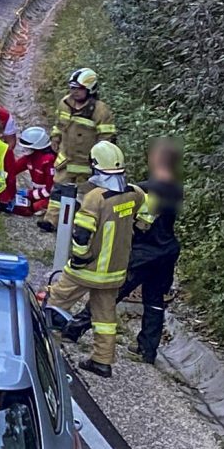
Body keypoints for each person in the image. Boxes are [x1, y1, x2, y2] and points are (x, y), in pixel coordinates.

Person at [44, 140, 147, 375]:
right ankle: (102, 360)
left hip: (88, 269)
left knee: (57, 300)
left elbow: (82, 235)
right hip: (115, 272)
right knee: (105, 316)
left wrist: (80, 259)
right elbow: (148, 212)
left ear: (96, 166)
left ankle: (47, 346)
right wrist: (140, 226)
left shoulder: (96, 197)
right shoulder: (134, 193)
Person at [123, 139, 183, 362]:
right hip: (167, 251)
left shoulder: (143, 189)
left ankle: (75, 328)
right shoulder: (176, 189)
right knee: (155, 300)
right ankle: (147, 349)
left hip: (145, 251)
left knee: (112, 292)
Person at [54, 68, 116, 189]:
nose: (75, 92)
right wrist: (55, 138)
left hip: (86, 168)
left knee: (84, 201)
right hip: (64, 165)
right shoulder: (65, 103)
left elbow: (106, 140)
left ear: (90, 89)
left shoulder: (100, 110)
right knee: (58, 198)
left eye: (80, 88)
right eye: (73, 88)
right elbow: (58, 125)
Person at [9, 125, 59, 225]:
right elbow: (13, 169)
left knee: (28, 209)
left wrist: (30, 194)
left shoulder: (49, 161)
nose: (24, 149)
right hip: (37, 193)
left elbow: (50, 189)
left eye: (27, 147)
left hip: (51, 197)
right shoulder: (30, 157)